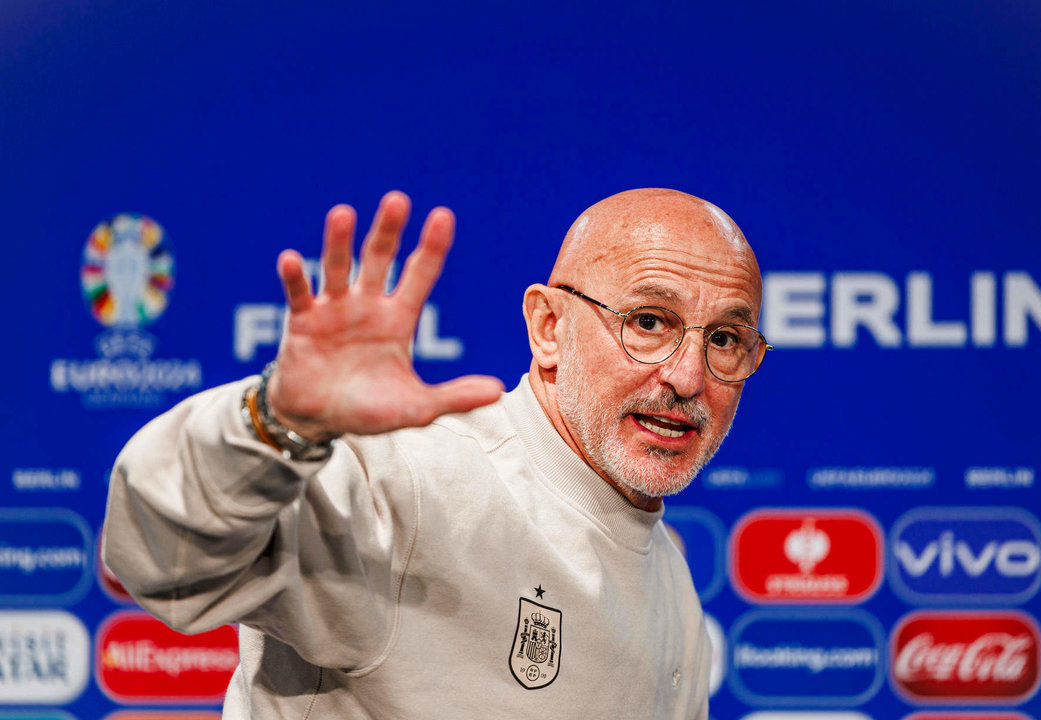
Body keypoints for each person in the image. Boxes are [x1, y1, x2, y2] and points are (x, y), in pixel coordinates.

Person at [103, 187, 768, 719]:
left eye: (725, 339)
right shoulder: (416, 478)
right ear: (548, 329)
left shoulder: (669, 567)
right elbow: (163, 557)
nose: (687, 377)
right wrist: (278, 420)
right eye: (648, 322)